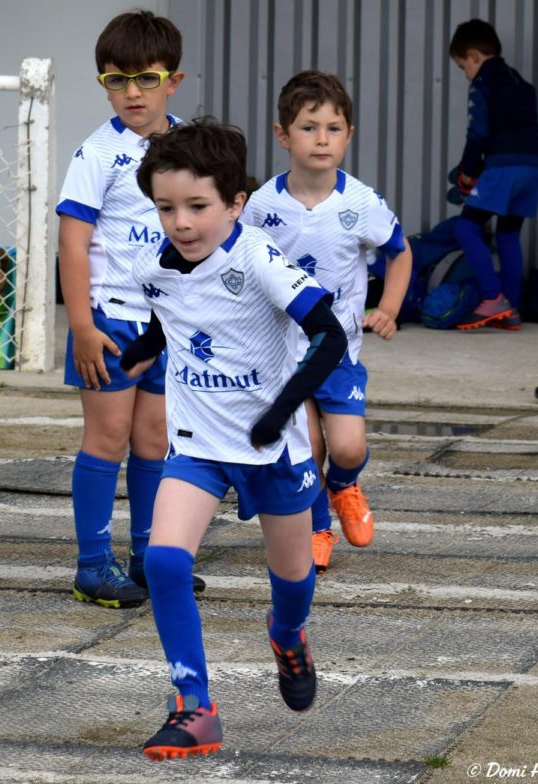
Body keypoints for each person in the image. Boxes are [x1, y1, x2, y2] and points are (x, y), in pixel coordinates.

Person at [122, 118, 347, 759]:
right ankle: (195, 708)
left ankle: (289, 634)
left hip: (274, 450)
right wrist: (139, 350)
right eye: (166, 207)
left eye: (197, 207)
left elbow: (328, 335)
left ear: (235, 203)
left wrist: (281, 412)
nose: (181, 222)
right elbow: (177, 319)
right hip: (196, 443)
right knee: (164, 561)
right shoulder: (155, 263)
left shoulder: (258, 262)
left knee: (292, 577)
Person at [241, 70, 412, 572]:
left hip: (336, 353)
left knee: (347, 446)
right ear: (282, 135)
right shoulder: (260, 206)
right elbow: (240, 263)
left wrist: (389, 309)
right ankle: (317, 527)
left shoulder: (360, 202)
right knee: (307, 447)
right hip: (281, 357)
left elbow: (399, 253)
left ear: (349, 135)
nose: (322, 139)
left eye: (333, 128)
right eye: (308, 127)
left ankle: (343, 486)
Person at [55, 9, 191, 609]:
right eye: (117, 80)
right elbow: (72, 241)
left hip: (173, 325)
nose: (132, 93)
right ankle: (92, 564)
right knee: (106, 439)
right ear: (103, 82)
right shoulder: (96, 154)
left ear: (174, 81)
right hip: (110, 322)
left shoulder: (190, 145)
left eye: (146, 79)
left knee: (155, 441)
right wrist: (81, 324)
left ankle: (146, 557)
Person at [448, 18, 538, 330]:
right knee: (508, 233)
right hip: (533, 167)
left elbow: (478, 133)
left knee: (466, 227)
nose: (466, 74)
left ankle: (492, 297)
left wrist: (467, 172)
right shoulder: (522, 84)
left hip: (504, 166)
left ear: (474, 56)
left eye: (463, 67)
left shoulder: (484, 83)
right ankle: (511, 308)